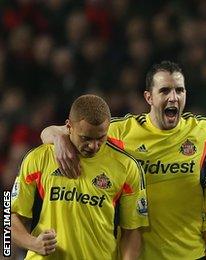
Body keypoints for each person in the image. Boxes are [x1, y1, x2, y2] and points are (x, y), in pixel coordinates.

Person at [40, 61, 206, 259]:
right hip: (139, 255)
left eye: (179, 90)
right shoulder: (124, 131)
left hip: (191, 254)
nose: (173, 97)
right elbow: (52, 131)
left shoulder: (200, 131)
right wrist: (59, 140)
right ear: (148, 97)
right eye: (165, 91)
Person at [11, 94, 148, 259]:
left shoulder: (126, 167)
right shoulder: (38, 159)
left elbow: (132, 232)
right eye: (86, 138)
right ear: (68, 127)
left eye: (101, 138)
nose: (94, 145)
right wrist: (32, 243)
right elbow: (9, 217)